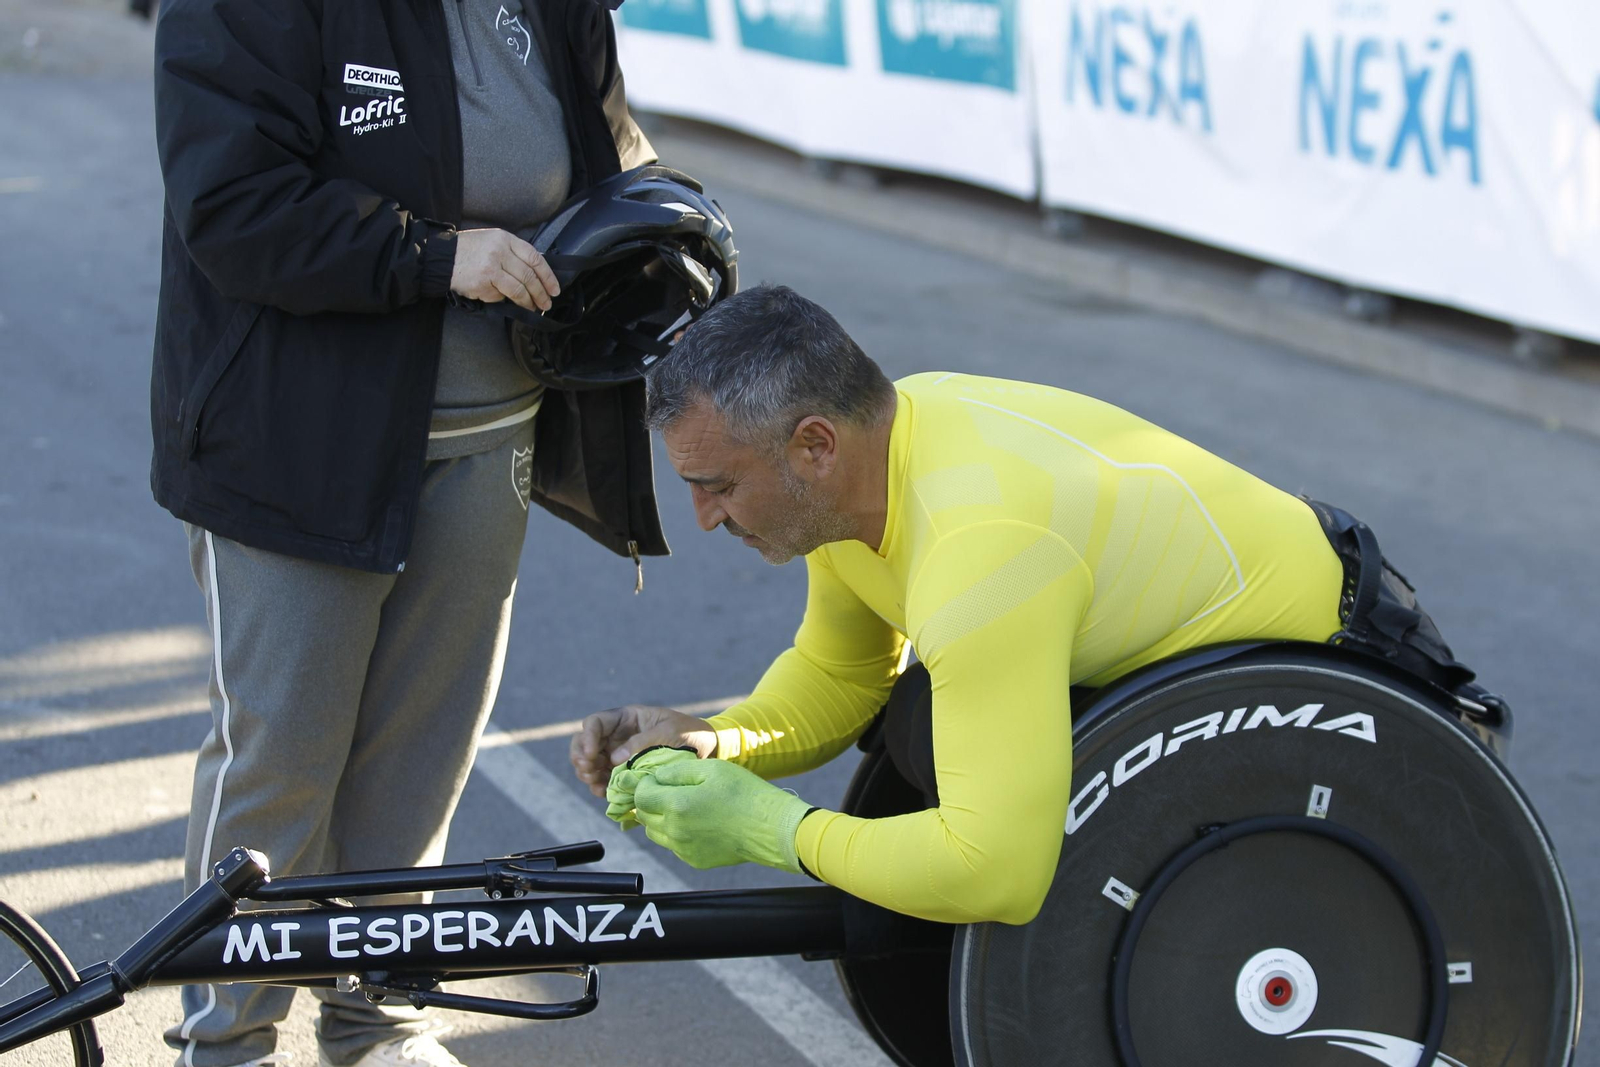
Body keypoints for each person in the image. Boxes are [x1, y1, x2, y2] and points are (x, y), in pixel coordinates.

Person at [571, 284, 1478, 926]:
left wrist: (769, 829)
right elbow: (839, 674)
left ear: (812, 445)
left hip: (1348, 698)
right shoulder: (864, 467)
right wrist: (713, 740)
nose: (702, 517)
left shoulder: (979, 548)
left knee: (965, 801)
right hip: (1199, 675)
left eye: (718, 485)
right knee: (928, 721)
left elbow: (992, 873)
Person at [150, 2, 664, 1066]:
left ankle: (378, 1016)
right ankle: (229, 1038)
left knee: (419, 751)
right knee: (283, 758)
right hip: (298, 443)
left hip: (494, 436)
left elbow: (607, 152)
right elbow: (234, 204)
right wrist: (432, 256)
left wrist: (660, 218)